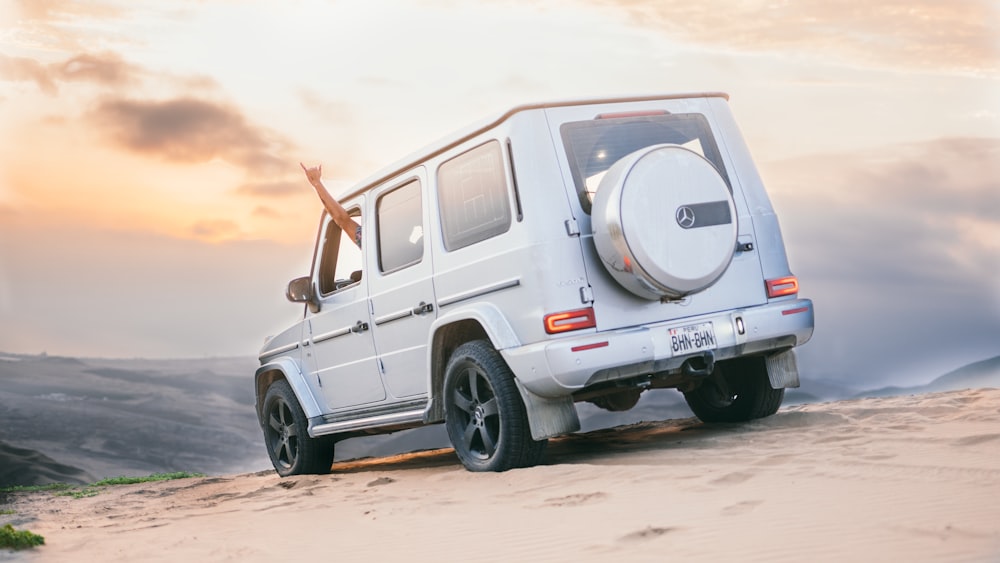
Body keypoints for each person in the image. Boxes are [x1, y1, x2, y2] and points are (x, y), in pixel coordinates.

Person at [300, 162, 362, 247]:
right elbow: (343, 220)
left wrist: (317, 183)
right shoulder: (371, 238)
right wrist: (317, 183)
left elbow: (343, 220)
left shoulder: (370, 240)